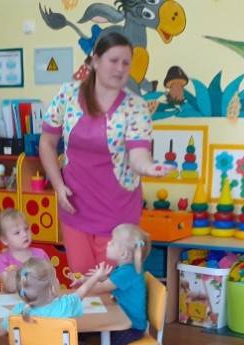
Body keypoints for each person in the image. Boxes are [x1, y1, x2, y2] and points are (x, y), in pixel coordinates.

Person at [38, 32, 170, 277]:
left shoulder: (135, 107)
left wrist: (150, 168)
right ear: (96, 61)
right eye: (114, 60)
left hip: (117, 214)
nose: (120, 68)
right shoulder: (68, 94)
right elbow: (47, 142)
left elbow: (138, 155)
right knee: (81, 280)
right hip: (75, 206)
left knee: (110, 284)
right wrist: (58, 185)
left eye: (126, 63)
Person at [79, 222, 149, 345]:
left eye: (112, 242)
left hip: (132, 325)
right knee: (84, 333)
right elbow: (106, 283)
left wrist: (86, 284)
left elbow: (102, 288)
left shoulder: (128, 272)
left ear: (123, 254)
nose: (108, 244)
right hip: (121, 318)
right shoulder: (123, 269)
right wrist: (87, 279)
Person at [0, 209, 49, 294]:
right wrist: (11, 276)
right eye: (17, 233)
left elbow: (51, 280)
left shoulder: (41, 254)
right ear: (4, 240)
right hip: (14, 300)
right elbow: (10, 289)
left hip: (40, 299)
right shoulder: (3, 260)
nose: (24, 234)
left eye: (26, 229)